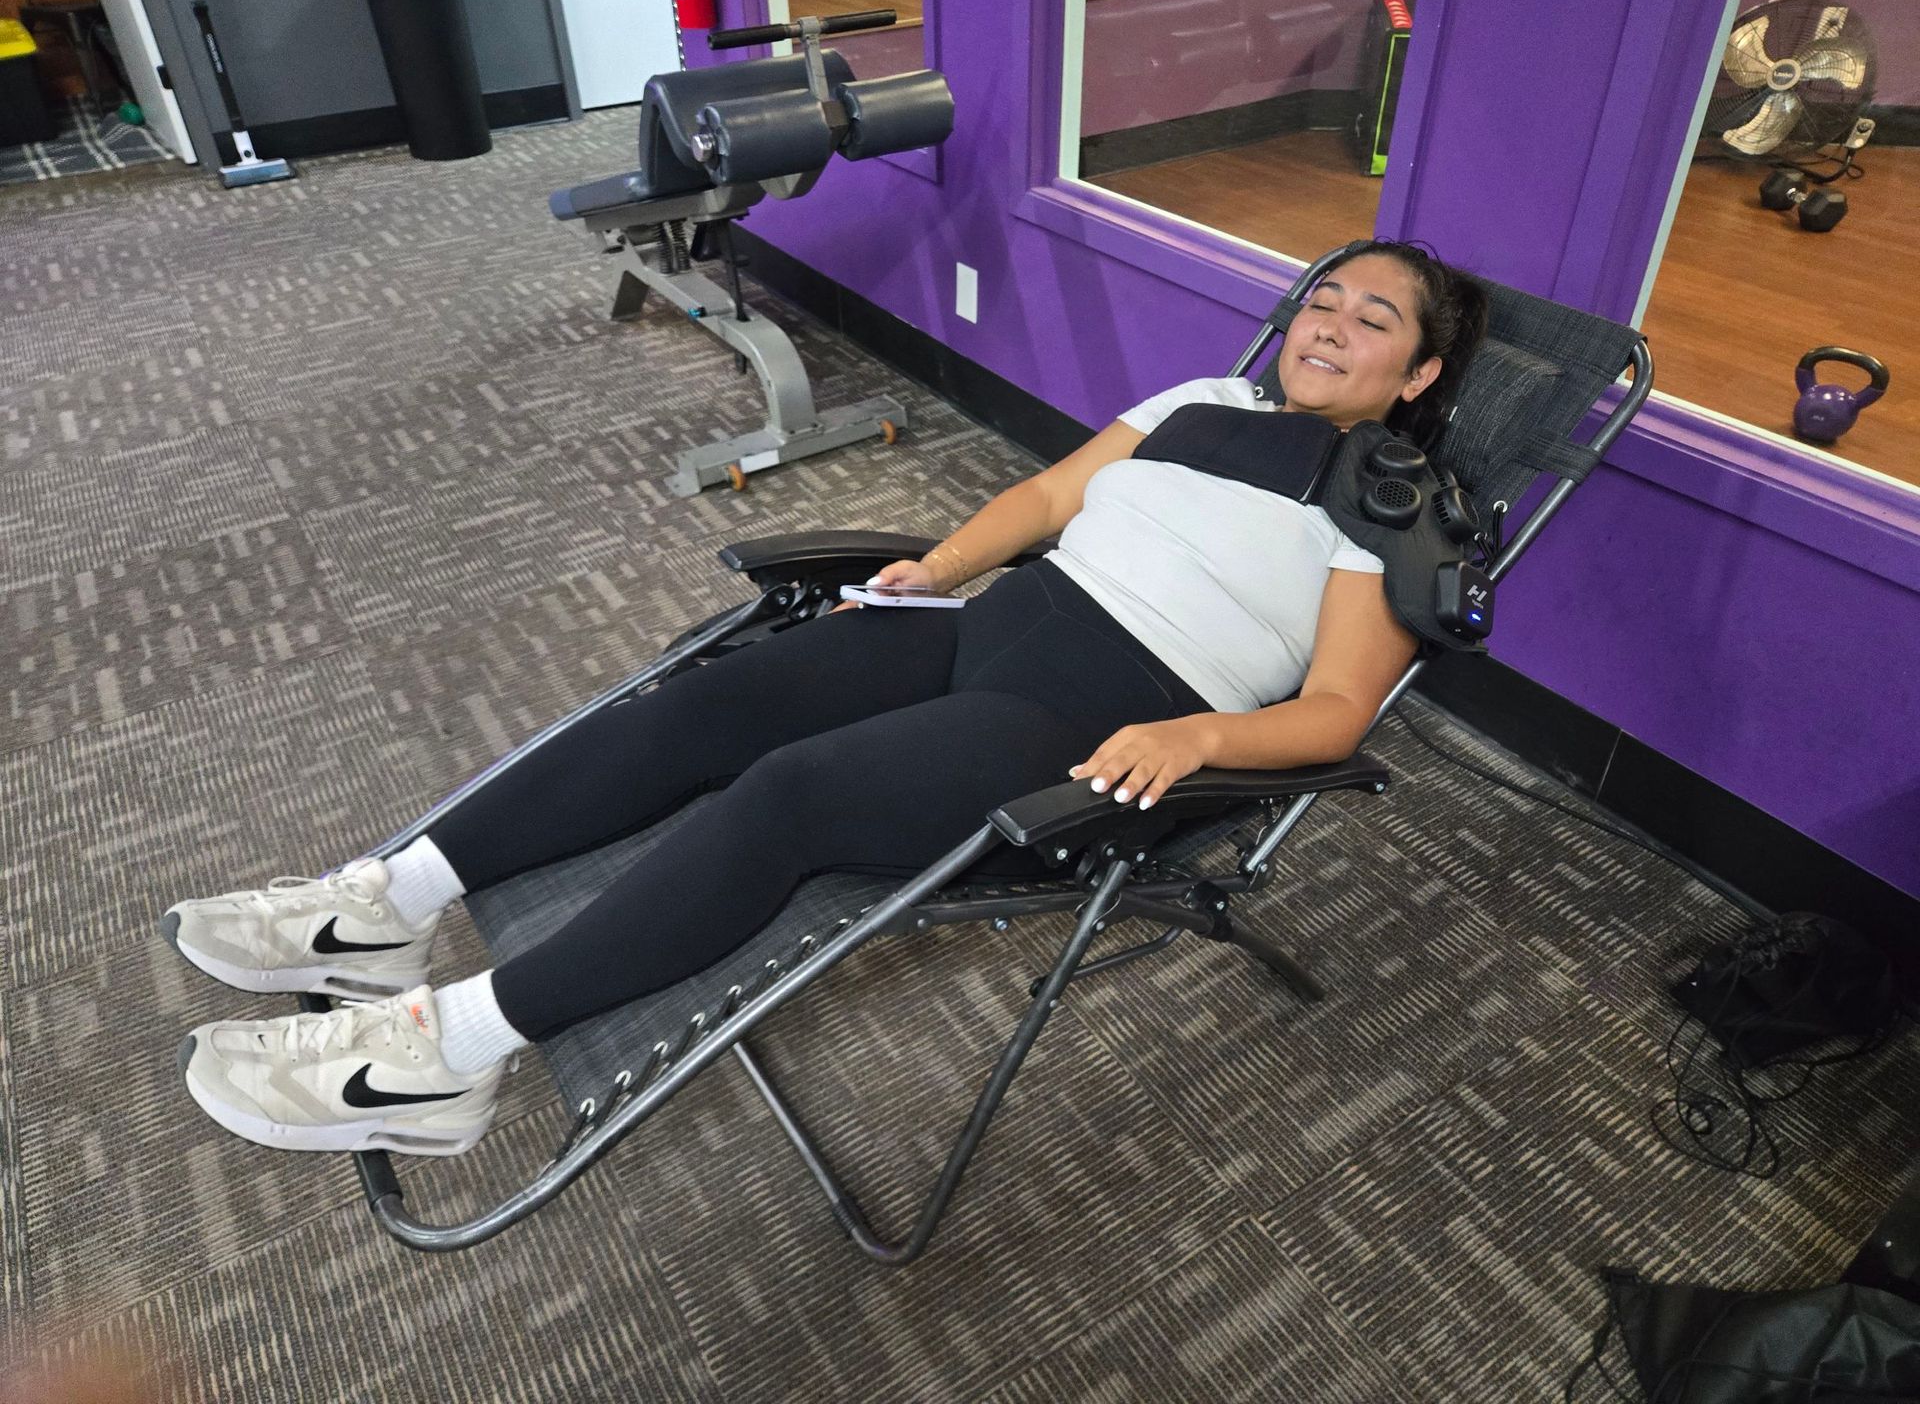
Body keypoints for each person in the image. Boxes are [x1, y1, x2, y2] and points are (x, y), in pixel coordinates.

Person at [167, 241, 1489, 1156]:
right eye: (1324, 299)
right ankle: (386, 904)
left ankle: (448, 1054)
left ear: (1420, 376)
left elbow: (1337, 710)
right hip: (996, 626)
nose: (1331, 324)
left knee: (789, 796)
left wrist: (1197, 737)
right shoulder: (1201, 399)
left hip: (1096, 729)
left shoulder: (1392, 509)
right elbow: (1049, 497)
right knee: (705, 703)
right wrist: (936, 570)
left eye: (1374, 321)